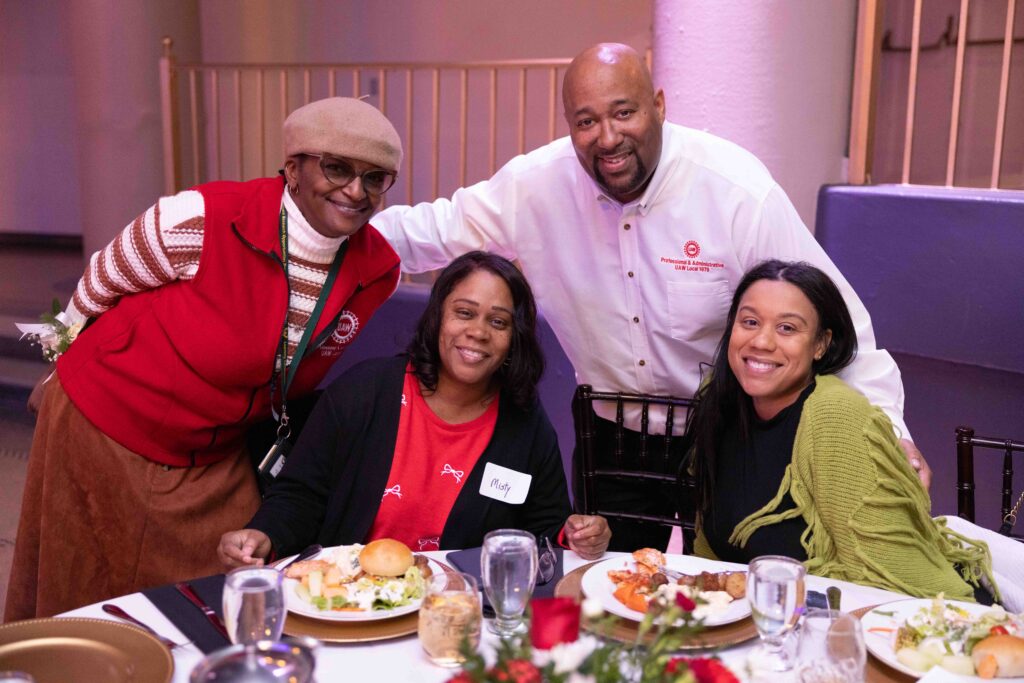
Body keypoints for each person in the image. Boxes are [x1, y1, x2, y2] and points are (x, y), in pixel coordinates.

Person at [369, 42, 928, 551]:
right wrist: (331, 233)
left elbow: (839, 319)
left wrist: (891, 435)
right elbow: (430, 231)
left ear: (658, 105)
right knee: (611, 584)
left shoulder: (734, 189)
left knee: (736, 579)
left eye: (624, 113)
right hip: (611, 434)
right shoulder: (535, 186)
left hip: (726, 428)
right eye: (586, 121)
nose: (607, 137)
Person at [6, 97, 404, 621]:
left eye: (375, 178)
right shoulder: (203, 217)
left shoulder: (378, 271)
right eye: (337, 168)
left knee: (218, 602)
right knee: (85, 596)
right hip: (105, 424)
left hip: (215, 456)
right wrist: (57, 363)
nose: (355, 191)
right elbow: (101, 281)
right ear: (293, 168)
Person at [218, 252, 611, 567]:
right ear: (438, 317)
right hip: (348, 601)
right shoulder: (365, 391)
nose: (478, 331)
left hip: (456, 612)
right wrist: (264, 535)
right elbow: (301, 495)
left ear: (514, 339)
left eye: (498, 322)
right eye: (464, 312)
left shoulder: (525, 424)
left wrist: (578, 535)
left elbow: (545, 531)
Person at [686, 260, 995, 601]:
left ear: (821, 344)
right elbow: (713, 553)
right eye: (750, 322)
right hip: (771, 618)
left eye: (787, 328)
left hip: (912, 614)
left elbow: (890, 576)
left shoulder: (835, 417)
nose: (761, 340)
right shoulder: (719, 402)